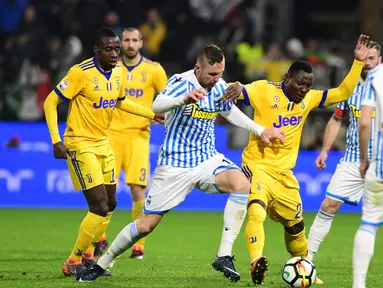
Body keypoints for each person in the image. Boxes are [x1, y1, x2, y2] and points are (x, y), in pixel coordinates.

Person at [76, 43, 285, 283]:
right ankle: (102, 264)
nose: (218, 79)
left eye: (221, 73)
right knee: (144, 226)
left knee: (241, 184)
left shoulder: (220, 86)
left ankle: (224, 254)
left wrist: (260, 130)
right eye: (212, 74)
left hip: (207, 159)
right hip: (175, 165)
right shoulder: (181, 82)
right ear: (198, 69)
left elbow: (229, 112)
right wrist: (183, 99)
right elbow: (156, 106)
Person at [222, 34, 371, 285]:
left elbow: (344, 91)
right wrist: (236, 86)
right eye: (300, 83)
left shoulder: (309, 99)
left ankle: (305, 267)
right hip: (257, 165)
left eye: (308, 85)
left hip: (285, 175)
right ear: (287, 78)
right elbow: (241, 90)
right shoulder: (264, 90)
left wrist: (357, 62)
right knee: (256, 210)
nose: (304, 89)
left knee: (296, 230)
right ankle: (256, 261)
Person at [43, 27, 163, 276]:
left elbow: (121, 100)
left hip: (102, 142)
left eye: (116, 48)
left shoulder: (118, 71)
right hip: (79, 143)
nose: (114, 53)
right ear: (96, 50)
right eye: (108, 48)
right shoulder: (80, 72)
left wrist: (152, 114)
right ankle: (75, 260)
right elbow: (50, 101)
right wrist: (56, 140)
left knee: (110, 204)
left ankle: (87, 255)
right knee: (98, 206)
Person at [92, 27, 168, 261]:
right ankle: (100, 237)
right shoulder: (111, 68)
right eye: (126, 40)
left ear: (141, 43)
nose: (130, 44)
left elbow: (167, 97)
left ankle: (139, 244)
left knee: (138, 189)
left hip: (138, 136)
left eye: (135, 40)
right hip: (111, 135)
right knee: (104, 191)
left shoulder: (154, 70)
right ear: (120, 43)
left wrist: (159, 115)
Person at [307, 42, 381, 262]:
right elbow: (337, 118)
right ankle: (307, 260)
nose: (367, 64)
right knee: (328, 205)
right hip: (353, 159)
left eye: (372, 59)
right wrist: (324, 151)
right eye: (364, 59)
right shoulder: (351, 88)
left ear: (380, 61)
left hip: (380, 160)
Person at [353, 63, 383, 288]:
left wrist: (365, 159)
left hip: (379, 161)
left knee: (369, 222)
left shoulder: (375, 77)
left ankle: (359, 284)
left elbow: (364, 123)